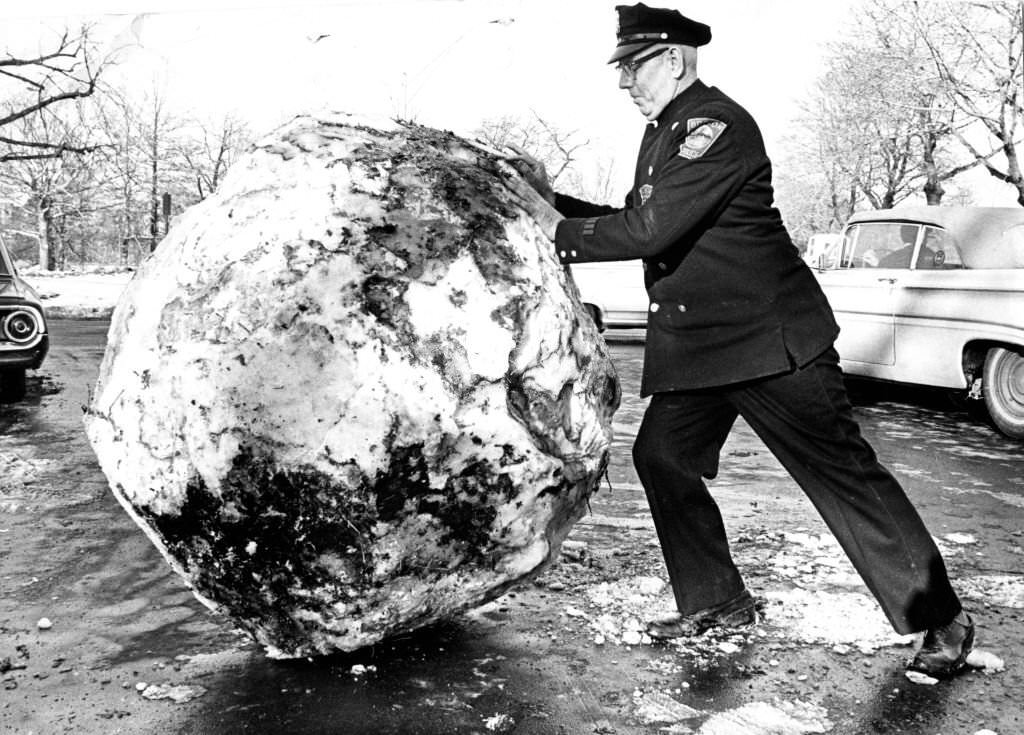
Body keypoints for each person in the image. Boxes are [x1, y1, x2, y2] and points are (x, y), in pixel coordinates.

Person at [504, 2, 974, 679]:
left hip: (771, 342)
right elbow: (637, 218)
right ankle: (718, 600)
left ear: (673, 60)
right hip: (708, 349)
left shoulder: (715, 125)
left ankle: (942, 617)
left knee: (841, 478)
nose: (623, 83)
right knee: (662, 454)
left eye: (633, 68)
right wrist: (555, 204)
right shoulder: (666, 129)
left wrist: (551, 229)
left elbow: (650, 232)